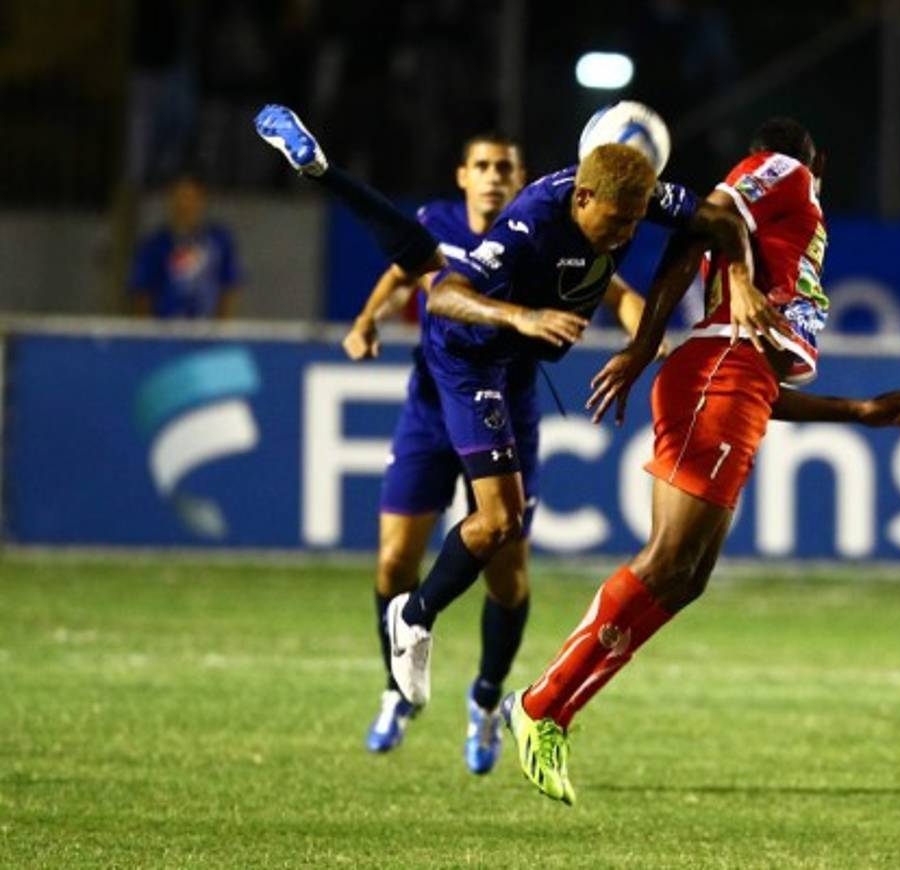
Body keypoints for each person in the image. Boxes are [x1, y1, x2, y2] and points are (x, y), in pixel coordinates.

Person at [252, 104, 778, 762]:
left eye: (634, 223)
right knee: (487, 524)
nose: (624, 235)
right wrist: (523, 319)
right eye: (616, 222)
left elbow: (721, 223)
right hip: (468, 360)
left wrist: (729, 287)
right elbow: (443, 295)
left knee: (506, 555)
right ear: (581, 198)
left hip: (515, 375)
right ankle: (413, 620)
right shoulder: (531, 222)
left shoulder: (631, 193)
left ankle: (453, 664)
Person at [500, 118, 900, 806]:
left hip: (739, 379)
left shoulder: (792, 223)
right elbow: (706, 221)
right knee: (667, 560)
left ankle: (546, 706)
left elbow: (759, 385)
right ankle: (542, 707)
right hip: (718, 370)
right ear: (817, 159)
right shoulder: (784, 171)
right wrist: (646, 342)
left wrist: (856, 411)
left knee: (686, 577)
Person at [342, 133, 665, 769]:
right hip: (433, 407)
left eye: (505, 169)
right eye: (483, 166)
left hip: (507, 409)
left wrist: (648, 343)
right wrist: (366, 319)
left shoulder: (545, 235)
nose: (493, 177)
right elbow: (405, 274)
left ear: (524, 181)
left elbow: (621, 293)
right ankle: (396, 689)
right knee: (394, 560)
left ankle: (486, 700)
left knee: (507, 571)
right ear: (463, 175)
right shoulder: (438, 225)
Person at [129, 172, 243, 319]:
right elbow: (142, 294)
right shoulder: (153, 245)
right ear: (169, 201)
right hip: (164, 327)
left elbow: (230, 288)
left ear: (202, 200)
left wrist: (222, 327)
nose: (184, 205)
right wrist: (146, 330)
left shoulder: (219, 241)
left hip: (208, 326)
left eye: (190, 198)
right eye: (178, 198)